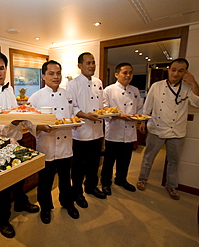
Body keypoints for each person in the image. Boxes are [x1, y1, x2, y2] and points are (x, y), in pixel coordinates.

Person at [0, 50, 39, 238]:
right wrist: (15, 120)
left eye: (2, 68)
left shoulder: (9, 89)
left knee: (20, 178)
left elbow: (17, 112)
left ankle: (20, 202)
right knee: (2, 188)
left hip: (17, 141)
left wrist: (30, 121)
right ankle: (1, 220)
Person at [136, 58, 199, 200]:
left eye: (180, 70)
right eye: (173, 69)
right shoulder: (157, 86)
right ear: (169, 69)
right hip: (157, 128)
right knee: (148, 157)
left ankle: (171, 186)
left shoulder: (187, 88)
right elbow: (147, 106)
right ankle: (142, 179)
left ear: (185, 72)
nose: (175, 73)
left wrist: (193, 83)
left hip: (177, 131)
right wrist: (143, 121)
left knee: (174, 161)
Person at [28, 60, 79, 224]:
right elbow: (28, 120)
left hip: (65, 145)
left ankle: (68, 203)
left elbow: (72, 116)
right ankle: (45, 208)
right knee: (45, 181)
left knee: (65, 178)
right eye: (51, 73)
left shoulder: (68, 95)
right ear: (43, 76)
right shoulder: (36, 97)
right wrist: (40, 127)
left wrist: (75, 123)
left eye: (58, 73)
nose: (56, 77)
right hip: (47, 145)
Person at [66, 52, 107, 209]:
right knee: (78, 166)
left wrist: (106, 110)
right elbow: (72, 107)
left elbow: (102, 102)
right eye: (88, 63)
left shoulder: (98, 82)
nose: (92, 66)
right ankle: (77, 193)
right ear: (80, 66)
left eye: (93, 62)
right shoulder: (73, 84)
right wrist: (86, 115)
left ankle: (91, 186)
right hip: (81, 133)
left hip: (97, 131)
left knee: (94, 163)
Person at [100, 63, 144, 195]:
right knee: (109, 160)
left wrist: (140, 119)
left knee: (125, 159)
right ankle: (106, 182)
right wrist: (120, 115)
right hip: (114, 130)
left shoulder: (135, 90)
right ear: (117, 74)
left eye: (130, 72)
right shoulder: (108, 90)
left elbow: (140, 108)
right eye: (125, 72)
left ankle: (121, 179)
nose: (128, 75)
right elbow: (105, 108)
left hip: (130, 131)